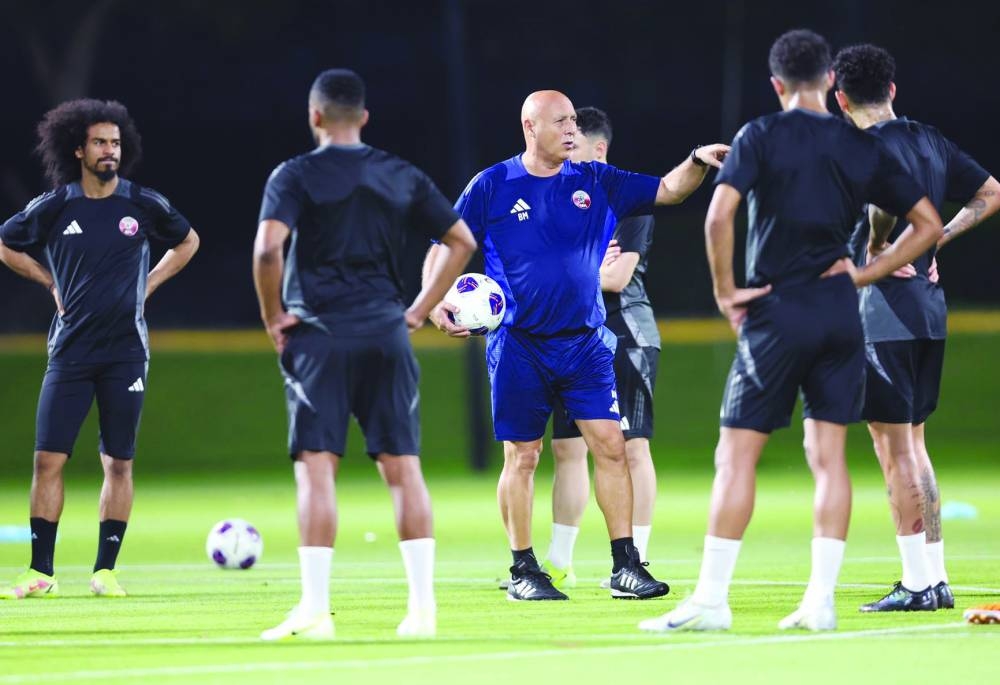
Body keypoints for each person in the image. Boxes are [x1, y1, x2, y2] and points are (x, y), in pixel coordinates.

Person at [639, 29, 944, 633]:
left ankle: (711, 600)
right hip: (839, 314)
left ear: (777, 84)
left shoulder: (760, 135)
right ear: (830, 82)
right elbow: (928, 222)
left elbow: (719, 215)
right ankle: (820, 601)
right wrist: (865, 272)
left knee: (736, 456)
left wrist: (727, 293)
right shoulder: (860, 145)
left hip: (777, 310)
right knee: (828, 458)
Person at [425, 89, 729, 601]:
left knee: (611, 447)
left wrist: (697, 159)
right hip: (519, 344)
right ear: (529, 127)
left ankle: (626, 566)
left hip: (585, 344)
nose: (571, 130)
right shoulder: (493, 185)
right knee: (523, 455)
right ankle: (525, 570)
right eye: (560, 121)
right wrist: (434, 303)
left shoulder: (596, 180)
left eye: (573, 121)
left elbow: (671, 190)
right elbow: (445, 245)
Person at [253, 69, 476, 640]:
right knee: (404, 469)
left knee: (318, 471)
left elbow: (267, 248)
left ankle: (315, 611)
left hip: (320, 336)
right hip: (386, 331)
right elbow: (462, 241)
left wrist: (274, 317)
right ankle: (422, 611)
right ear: (365, 118)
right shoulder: (398, 172)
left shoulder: (295, 174)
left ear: (316, 116)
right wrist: (420, 308)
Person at [0, 99, 200, 600]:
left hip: (126, 354)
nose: (109, 150)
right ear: (79, 150)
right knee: (48, 460)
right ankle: (40, 571)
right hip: (69, 352)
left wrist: (149, 284)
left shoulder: (142, 203)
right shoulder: (56, 205)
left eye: (114, 142)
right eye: (99, 143)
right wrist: (48, 282)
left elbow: (189, 241)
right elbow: (6, 243)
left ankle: (105, 570)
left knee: (119, 463)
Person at [833, 43, 1000, 613]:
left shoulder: (859, 146)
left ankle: (917, 584)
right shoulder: (929, 137)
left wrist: (881, 246)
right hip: (929, 309)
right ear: (893, 91)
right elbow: (990, 192)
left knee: (892, 448)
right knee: (914, 446)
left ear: (840, 99)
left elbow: (883, 201)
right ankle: (935, 576)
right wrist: (936, 239)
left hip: (884, 313)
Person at [544, 106, 662, 589]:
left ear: (600, 149)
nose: (569, 156)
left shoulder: (626, 201)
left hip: (625, 334)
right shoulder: (560, 201)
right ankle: (558, 561)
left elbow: (615, 278)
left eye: (576, 146)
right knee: (566, 450)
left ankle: (638, 559)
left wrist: (576, 270)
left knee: (631, 449)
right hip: (573, 337)